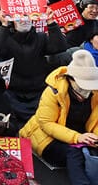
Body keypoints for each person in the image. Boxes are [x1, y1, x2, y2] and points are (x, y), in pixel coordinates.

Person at [20, 50, 98, 185]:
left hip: (81, 135)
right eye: (81, 88)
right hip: (46, 137)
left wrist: (95, 137)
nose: (85, 93)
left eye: (88, 88)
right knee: (75, 152)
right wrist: (77, 137)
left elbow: (96, 121)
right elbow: (46, 123)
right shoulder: (53, 91)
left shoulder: (95, 93)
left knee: (87, 151)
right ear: (70, 79)